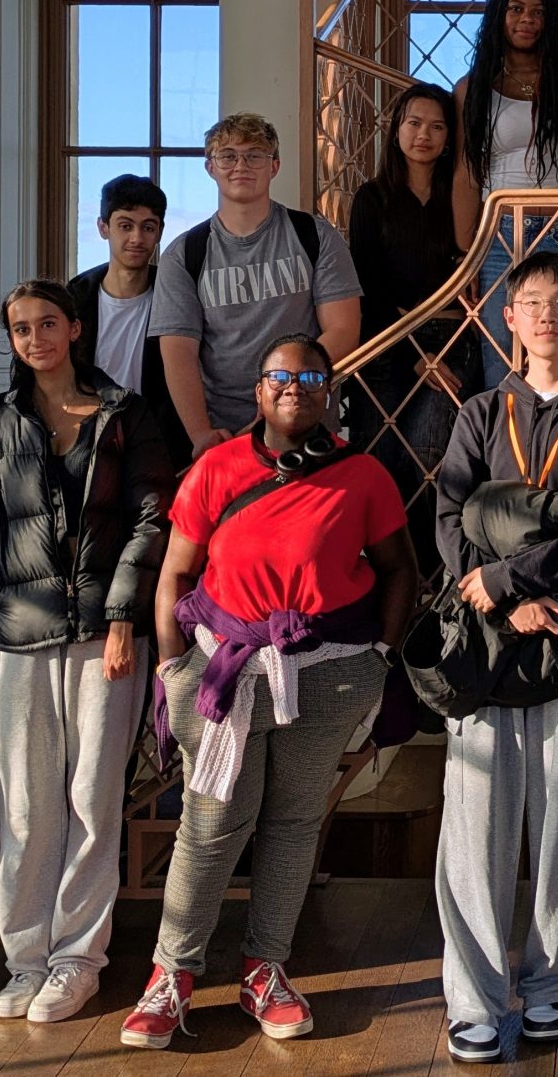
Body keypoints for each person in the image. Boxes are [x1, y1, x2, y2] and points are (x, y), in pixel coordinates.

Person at [122, 334, 419, 1049]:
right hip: (226, 673)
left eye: (311, 375)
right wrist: (169, 667)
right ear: (258, 391)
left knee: (291, 822)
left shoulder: (364, 475)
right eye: (280, 376)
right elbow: (175, 575)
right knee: (212, 822)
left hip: (330, 671)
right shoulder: (217, 469)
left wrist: (380, 656)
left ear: (329, 390)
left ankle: (266, 968)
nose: (295, 387)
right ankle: (172, 975)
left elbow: (401, 569)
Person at [432, 251, 558, 1063]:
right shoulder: (482, 412)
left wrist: (506, 573)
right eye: (530, 302)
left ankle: (552, 989)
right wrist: (497, 594)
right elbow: (449, 514)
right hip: (486, 649)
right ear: (508, 320)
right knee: (477, 831)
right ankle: (475, 1000)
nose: (547, 314)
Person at [0, 280, 172, 1024]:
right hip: (19, 633)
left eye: (48, 324)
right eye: (21, 329)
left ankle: (77, 959)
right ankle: (25, 959)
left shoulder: (124, 414)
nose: (36, 339)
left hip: (104, 633)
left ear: (76, 328)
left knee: (92, 798)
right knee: (26, 805)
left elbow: (152, 515)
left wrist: (123, 614)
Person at [151, 113, 364, 457]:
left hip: (307, 422)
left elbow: (343, 330)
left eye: (255, 155)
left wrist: (279, 396)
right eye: (228, 156)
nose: (241, 166)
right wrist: (201, 434)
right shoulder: (184, 254)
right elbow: (178, 354)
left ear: (274, 166)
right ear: (210, 168)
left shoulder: (315, 235)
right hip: (225, 436)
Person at [345, 81, 477, 563]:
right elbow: (368, 287)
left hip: (450, 337)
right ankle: (379, 567)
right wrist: (412, 354)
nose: (424, 135)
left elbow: (469, 280)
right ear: (396, 128)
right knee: (376, 455)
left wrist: (436, 354)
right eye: (414, 123)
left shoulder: (460, 196)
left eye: (438, 126)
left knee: (428, 453)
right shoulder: (372, 198)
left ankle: (424, 566)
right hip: (384, 339)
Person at [452, 0, 558, 389]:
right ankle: (510, 450)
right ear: (499, 15)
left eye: (538, 12)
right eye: (516, 9)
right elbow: (467, 173)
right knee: (501, 353)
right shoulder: (473, 88)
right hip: (499, 237)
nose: (527, 19)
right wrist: (467, 258)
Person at [68, 173, 187, 465]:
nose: (137, 238)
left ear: (159, 232)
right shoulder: (74, 298)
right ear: (103, 228)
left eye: (148, 227)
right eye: (125, 226)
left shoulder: (176, 294)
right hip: (86, 444)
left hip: (158, 446)